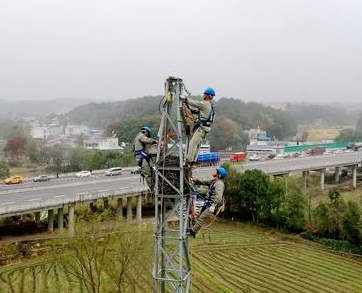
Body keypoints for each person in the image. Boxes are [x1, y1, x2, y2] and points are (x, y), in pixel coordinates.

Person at [189, 167, 227, 237]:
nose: (215, 172)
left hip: (212, 205)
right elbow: (204, 181)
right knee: (199, 216)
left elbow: (218, 197)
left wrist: (213, 206)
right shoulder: (214, 181)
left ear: (219, 175)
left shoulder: (219, 184)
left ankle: (192, 232)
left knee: (201, 218)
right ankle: (194, 229)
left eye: (217, 172)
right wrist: (193, 180)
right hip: (208, 203)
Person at [182, 87, 216, 166]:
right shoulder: (210, 105)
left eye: (205, 94)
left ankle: (189, 160)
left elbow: (194, 103)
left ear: (208, 96)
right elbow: (198, 111)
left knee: (192, 144)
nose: (203, 95)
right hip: (205, 129)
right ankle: (194, 160)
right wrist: (189, 108)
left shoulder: (205, 103)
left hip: (201, 128)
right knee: (197, 144)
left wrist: (185, 99)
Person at [133, 126, 158, 191]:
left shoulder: (136, 137)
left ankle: (153, 186)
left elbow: (134, 149)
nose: (147, 136)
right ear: (146, 132)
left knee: (151, 171)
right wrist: (154, 141)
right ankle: (153, 189)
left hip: (141, 157)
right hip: (142, 157)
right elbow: (146, 140)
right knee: (148, 174)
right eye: (147, 135)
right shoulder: (141, 136)